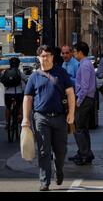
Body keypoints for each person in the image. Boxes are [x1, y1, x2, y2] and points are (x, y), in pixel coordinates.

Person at [22, 45, 75, 191]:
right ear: (38, 58)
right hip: (41, 118)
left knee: (60, 151)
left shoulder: (61, 73)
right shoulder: (34, 76)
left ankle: (59, 170)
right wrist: (25, 119)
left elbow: (70, 93)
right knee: (43, 151)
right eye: (42, 56)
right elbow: (27, 98)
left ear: (52, 57)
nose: (45, 58)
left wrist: (71, 113)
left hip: (60, 118)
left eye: (47, 55)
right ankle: (44, 181)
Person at [71, 41, 96, 165]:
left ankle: (84, 154)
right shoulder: (85, 64)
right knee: (83, 128)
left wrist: (78, 101)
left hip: (85, 99)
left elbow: (84, 86)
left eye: (75, 51)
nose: (74, 54)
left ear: (80, 52)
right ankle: (86, 152)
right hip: (87, 98)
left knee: (79, 128)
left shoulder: (85, 65)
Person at [1, 57, 27, 129]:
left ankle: (7, 123)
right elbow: (26, 79)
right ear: (18, 64)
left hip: (7, 93)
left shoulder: (5, 72)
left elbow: (2, 79)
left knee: (8, 108)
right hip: (17, 93)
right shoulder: (19, 72)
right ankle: (20, 117)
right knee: (20, 105)